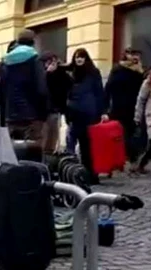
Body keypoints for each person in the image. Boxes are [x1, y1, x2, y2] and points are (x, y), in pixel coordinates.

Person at [0, 30, 49, 147]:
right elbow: (41, 89)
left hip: (11, 115)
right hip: (31, 115)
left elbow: (1, 90)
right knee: (32, 150)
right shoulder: (35, 60)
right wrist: (44, 113)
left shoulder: (5, 63)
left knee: (13, 151)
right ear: (33, 42)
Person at [66, 48, 106, 184]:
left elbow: (99, 92)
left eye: (82, 56)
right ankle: (73, 172)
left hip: (89, 113)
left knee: (87, 145)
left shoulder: (93, 73)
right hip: (74, 112)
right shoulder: (70, 73)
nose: (79, 59)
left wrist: (102, 111)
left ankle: (90, 173)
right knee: (71, 143)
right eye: (77, 56)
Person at [104, 48, 145, 166]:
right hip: (118, 106)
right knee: (120, 133)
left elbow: (142, 88)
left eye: (136, 54)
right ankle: (121, 158)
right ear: (125, 55)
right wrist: (105, 107)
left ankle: (132, 158)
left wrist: (140, 71)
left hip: (134, 106)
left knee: (133, 133)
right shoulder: (118, 69)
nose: (133, 57)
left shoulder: (139, 70)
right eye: (131, 54)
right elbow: (108, 88)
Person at [41, 52, 72, 154]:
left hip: (56, 108)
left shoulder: (62, 74)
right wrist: (48, 74)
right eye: (50, 62)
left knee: (53, 135)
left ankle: (51, 154)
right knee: (46, 136)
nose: (52, 64)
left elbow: (68, 86)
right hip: (44, 109)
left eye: (54, 61)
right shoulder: (41, 73)